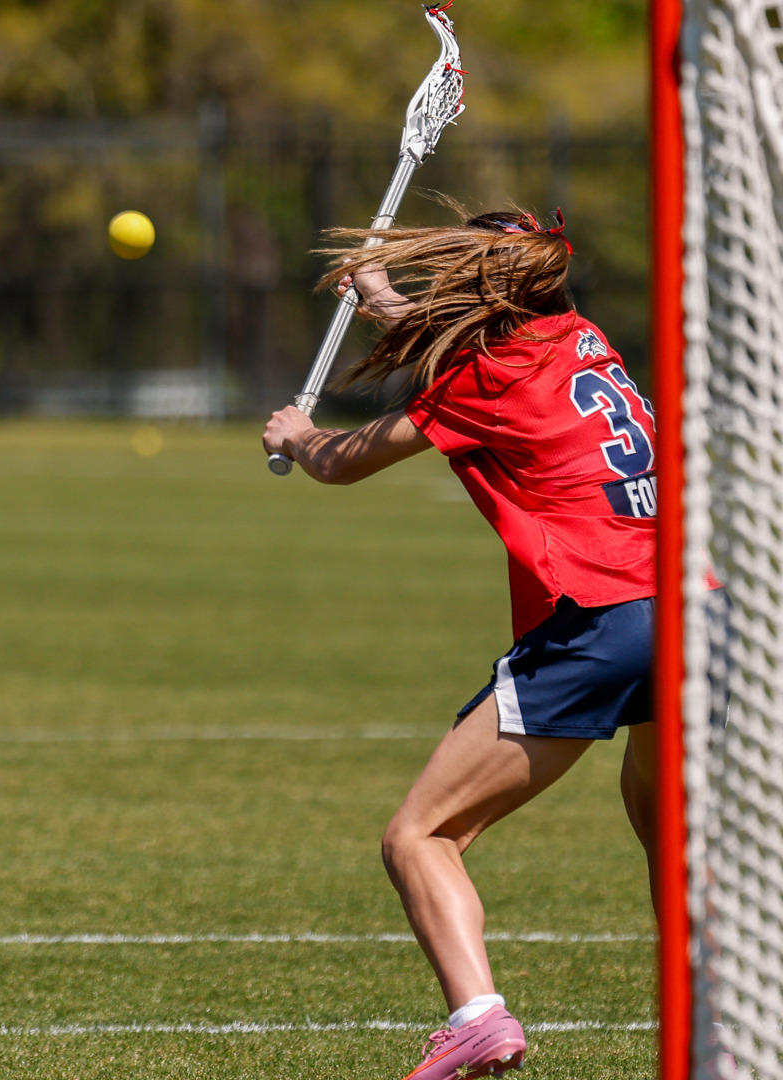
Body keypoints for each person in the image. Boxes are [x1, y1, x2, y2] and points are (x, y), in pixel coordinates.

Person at [261, 206, 655, 1080]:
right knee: (663, 822)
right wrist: (383, 296)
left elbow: (345, 458)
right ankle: (714, 1004)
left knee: (420, 836)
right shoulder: (580, 336)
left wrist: (299, 435)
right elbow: (474, 350)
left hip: (602, 617)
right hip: (696, 612)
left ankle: (478, 1019)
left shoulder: (483, 374)